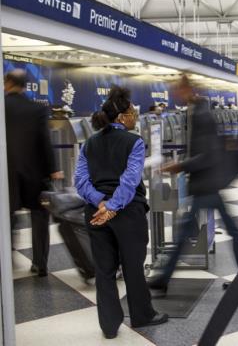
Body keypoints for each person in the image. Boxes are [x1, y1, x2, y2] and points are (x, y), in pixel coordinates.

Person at [148, 76, 238, 291]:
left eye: (178, 89)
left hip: (206, 183)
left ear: (187, 89)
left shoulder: (201, 115)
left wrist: (178, 166)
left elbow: (207, 155)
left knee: (184, 234)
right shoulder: (199, 111)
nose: (175, 94)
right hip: (209, 182)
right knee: (225, 230)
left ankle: (163, 278)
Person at [74, 86, 167, 339]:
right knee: (132, 266)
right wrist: (113, 207)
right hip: (127, 212)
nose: (135, 115)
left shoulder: (89, 143)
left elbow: (80, 180)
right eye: (132, 112)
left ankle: (109, 325)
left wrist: (100, 202)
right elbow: (129, 180)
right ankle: (142, 315)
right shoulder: (134, 141)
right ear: (123, 117)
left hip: (95, 212)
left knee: (104, 270)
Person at [5, 69, 64, 277]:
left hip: (7, 175)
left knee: (7, 216)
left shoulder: (3, 107)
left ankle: (6, 258)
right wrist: (53, 169)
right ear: (24, 85)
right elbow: (45, 142)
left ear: (8, 83)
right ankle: (40, 263)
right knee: (39, 218)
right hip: (35, 174)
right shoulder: (37, 109)